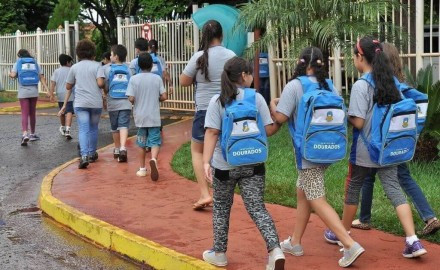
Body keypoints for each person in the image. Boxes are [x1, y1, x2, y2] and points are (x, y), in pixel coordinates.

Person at [324, 37, 427, 259]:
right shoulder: (391, 81)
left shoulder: (361, 85)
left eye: (354, 56)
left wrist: (345, 112)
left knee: (354, 188)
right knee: (394, 189)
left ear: (361, 57)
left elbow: (359, 122)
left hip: (365, 149)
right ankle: (412, 240)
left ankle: (343, 234)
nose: (354, 60)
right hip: (387, 148)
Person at [270, 47, 364, 267]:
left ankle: (349, 244)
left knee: (316, 198)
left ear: (302, 63)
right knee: (303, 191)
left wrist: (274, 103)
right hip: (328, 148)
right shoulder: (328, 85)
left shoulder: (294, 85)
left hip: (307, 152)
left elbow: (281, 117)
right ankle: (295, 242)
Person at [203, 57, 284, 270]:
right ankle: (275, 251)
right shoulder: (256, 98)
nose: (253, 76)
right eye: (250, 73)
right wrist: (280, 121)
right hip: (254, 163)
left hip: (224, 165)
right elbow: (268, 130)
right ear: (243, 76)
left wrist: (205, 162)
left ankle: (219, 253)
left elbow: (212, 132)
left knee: (221, 207)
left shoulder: (217, 101)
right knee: (257, 207)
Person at [351, 42, 440, 235]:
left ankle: (427, 217)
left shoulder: (378, 83)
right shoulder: (397, 84)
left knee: (379, 178)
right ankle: (366, 217)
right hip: (398, 140)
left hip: (382, 143)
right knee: (381, 177)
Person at [179, 20, 236, 210]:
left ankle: (205, 194)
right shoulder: (231, 56)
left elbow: (183, 82)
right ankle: (222, 194)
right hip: (227, 108)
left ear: (204, 36)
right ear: (222, 35)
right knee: (222, 150)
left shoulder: (198, 57)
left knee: (198, 151)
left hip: (204, 110)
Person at [58, 40, 103, 169]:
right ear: (92, 53)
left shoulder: (74, 67)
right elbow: (100, 83)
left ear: (78, 53)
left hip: (81, 103)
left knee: (84, 128)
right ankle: (92, 153)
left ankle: (83, 156)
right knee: (94, 127)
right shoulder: (97, 66)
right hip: (95, 103)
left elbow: (68, 85)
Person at [126, 53, 167, 181]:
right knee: (155, 142)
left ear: (138, 65)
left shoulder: (134, 79)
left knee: (141, 144)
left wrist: (135, 100)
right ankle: (153, 159)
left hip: (140, 118)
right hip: (154, 117)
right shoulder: (157, 78)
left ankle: (142, 169)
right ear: (151, 65)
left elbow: (131, 98)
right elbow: (164, 96)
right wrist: (156, 98)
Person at [97, 44, 132, 162]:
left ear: (116, 57)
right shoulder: (129, 68)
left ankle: (117, 148)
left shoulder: (106, 69)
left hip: (112, 101)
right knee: (124, 125)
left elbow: (104, 86)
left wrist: (105, 95)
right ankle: (123, 147)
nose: (110, 56)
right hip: (126, 101)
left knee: (114, 126)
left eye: (111, 54)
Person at [9, 49, 49, 146]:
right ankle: (32, 134)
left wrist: (10, 74)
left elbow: (13, 75)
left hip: (23, 92)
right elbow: (41, 77)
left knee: (24, 113)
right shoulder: (35, 62)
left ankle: (25, 134)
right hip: (34, 92)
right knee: (32, 113)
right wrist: (47, 90)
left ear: (19, 55)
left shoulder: (18, 62)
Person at [49, 54, 74, 139]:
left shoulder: (56, 71)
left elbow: (53, 83)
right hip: (70, 94)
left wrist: (51, 94)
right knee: (69, 111)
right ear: (67, 62)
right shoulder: (71, 70)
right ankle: (68, 129)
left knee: (62, 111)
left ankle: (63, 127)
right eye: (70, 62)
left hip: (59, 94)